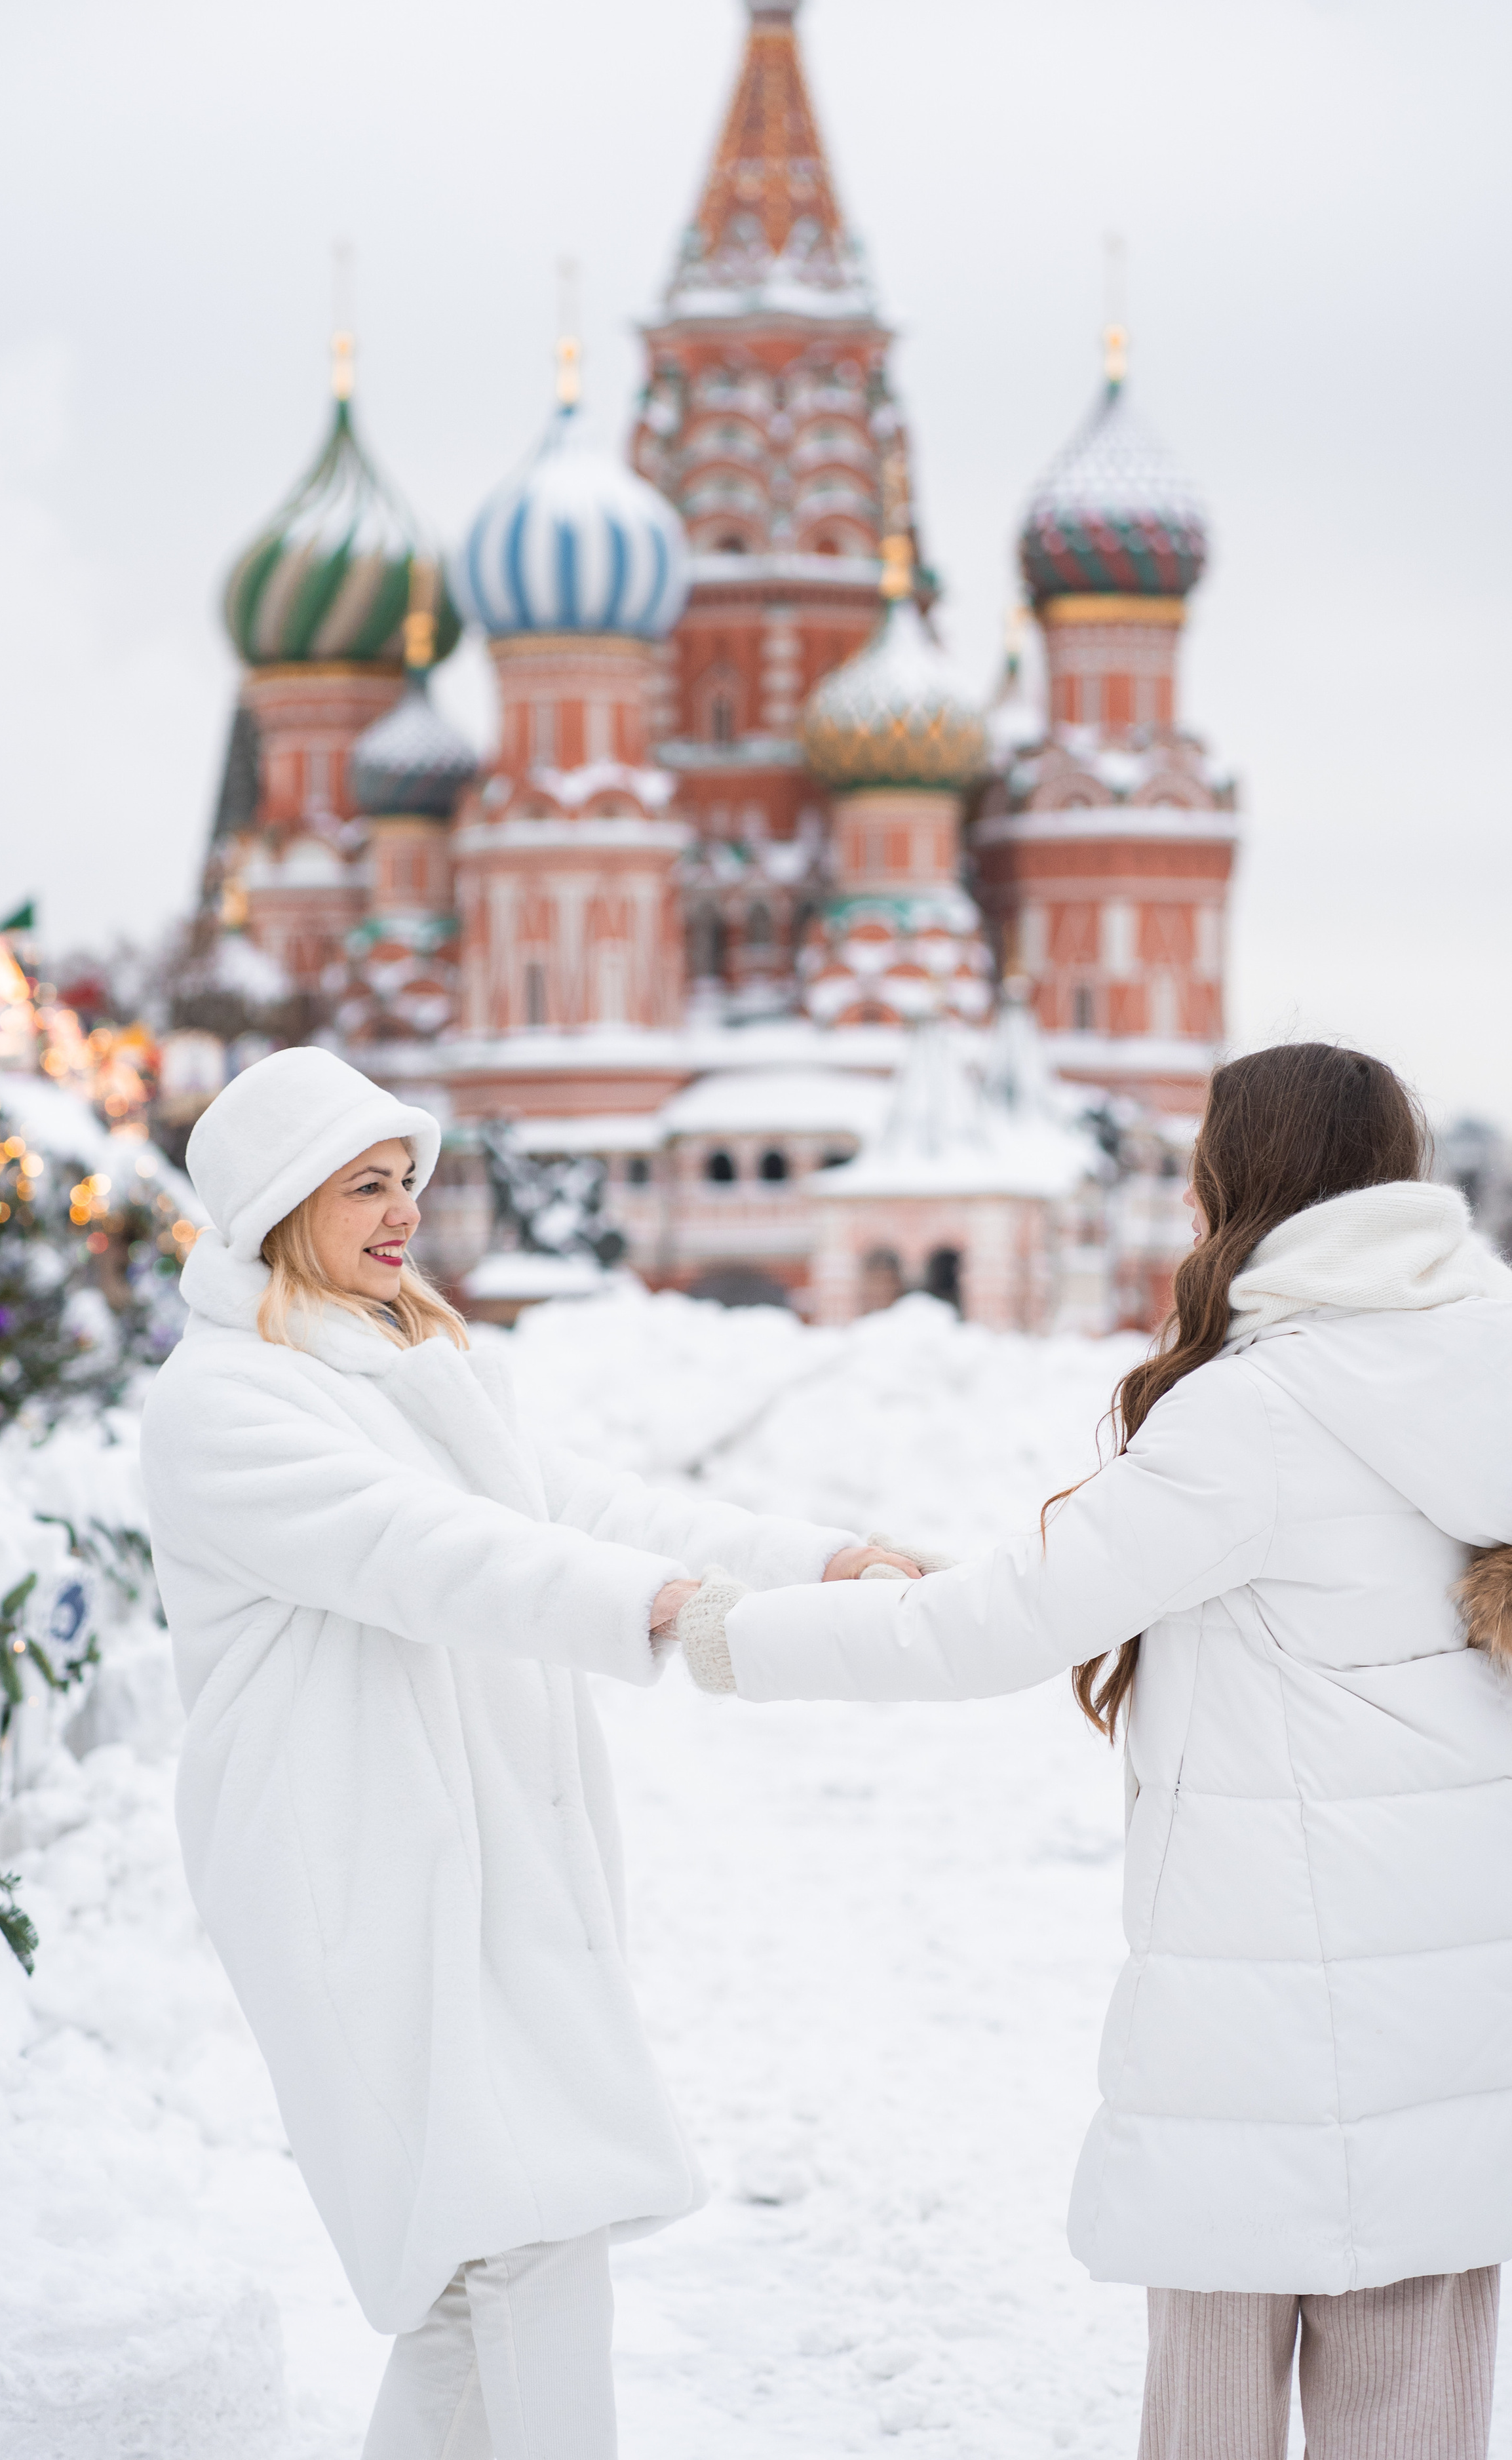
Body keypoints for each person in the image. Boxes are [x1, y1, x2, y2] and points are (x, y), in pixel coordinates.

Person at [667, 1043, 1512, 2459]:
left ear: (1236, 1182)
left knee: (1210, 2414)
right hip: (1450, 2015)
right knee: (1413, 2415)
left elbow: (988, 1630)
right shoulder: (1479, 1372)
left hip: (1262, 2027)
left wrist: (725, 1636)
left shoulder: (1257, 1411)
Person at [138, 1045, 916, 2460]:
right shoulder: (226, 1400)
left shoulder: (400, 1362)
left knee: (481, 2260)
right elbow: (422, 1551)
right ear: (276, 1202)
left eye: (406, 1186)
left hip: (478, 1861)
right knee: (523, 2229)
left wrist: (811, 1561)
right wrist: (655, 1609)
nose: (399, 1215)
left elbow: (569, 1503)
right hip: (352, 1868)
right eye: (364, 1187)